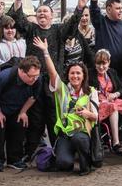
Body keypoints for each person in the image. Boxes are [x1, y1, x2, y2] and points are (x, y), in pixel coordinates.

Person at [7, 0, 88, 156]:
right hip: (34, 80)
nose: (42, 13)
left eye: (46, 11)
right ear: (36, 16)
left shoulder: (59, 30)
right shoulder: (31, 29)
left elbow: (73, 27)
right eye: (39, 11)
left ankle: (60, 152)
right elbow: (18, 21)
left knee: (54, 116)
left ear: (52, 16)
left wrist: (80, 9)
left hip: (53, 81)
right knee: (35, 118)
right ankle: (29, 153)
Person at [35, 37, 99, 176]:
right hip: (65, 134)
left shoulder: (91, 92)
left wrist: (87, 114)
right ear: (68, 75)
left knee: (79, 139)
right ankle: (67, 159)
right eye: (72, 73)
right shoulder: (62, 90)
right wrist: (45, 52)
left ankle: (85, 165)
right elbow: (53, 73)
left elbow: (96, 117)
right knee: (63, 164)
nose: (75, 76)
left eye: (78, 73)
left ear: (83, 76)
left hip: (82, 133)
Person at [0, 56, 41, 171]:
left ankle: (14, 159)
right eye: (31, 76)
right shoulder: (5, 76)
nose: (34, 79)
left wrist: (23, 112)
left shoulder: (36, 79)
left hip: (15, 105)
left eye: (36, 76)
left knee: (19, 125)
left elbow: (33, 97)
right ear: (22, 71)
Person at [89, 49, 122, 151]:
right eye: (98, 63)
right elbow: (87, 89)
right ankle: (115, 142)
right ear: (95, 63)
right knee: (113, 107)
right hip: (98, 102)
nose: (101, 66)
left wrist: (116, 94)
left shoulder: (112, 72)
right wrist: (96, 93)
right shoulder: (90, 74)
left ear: (109, 63)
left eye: (104, 63)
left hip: (112, 99)